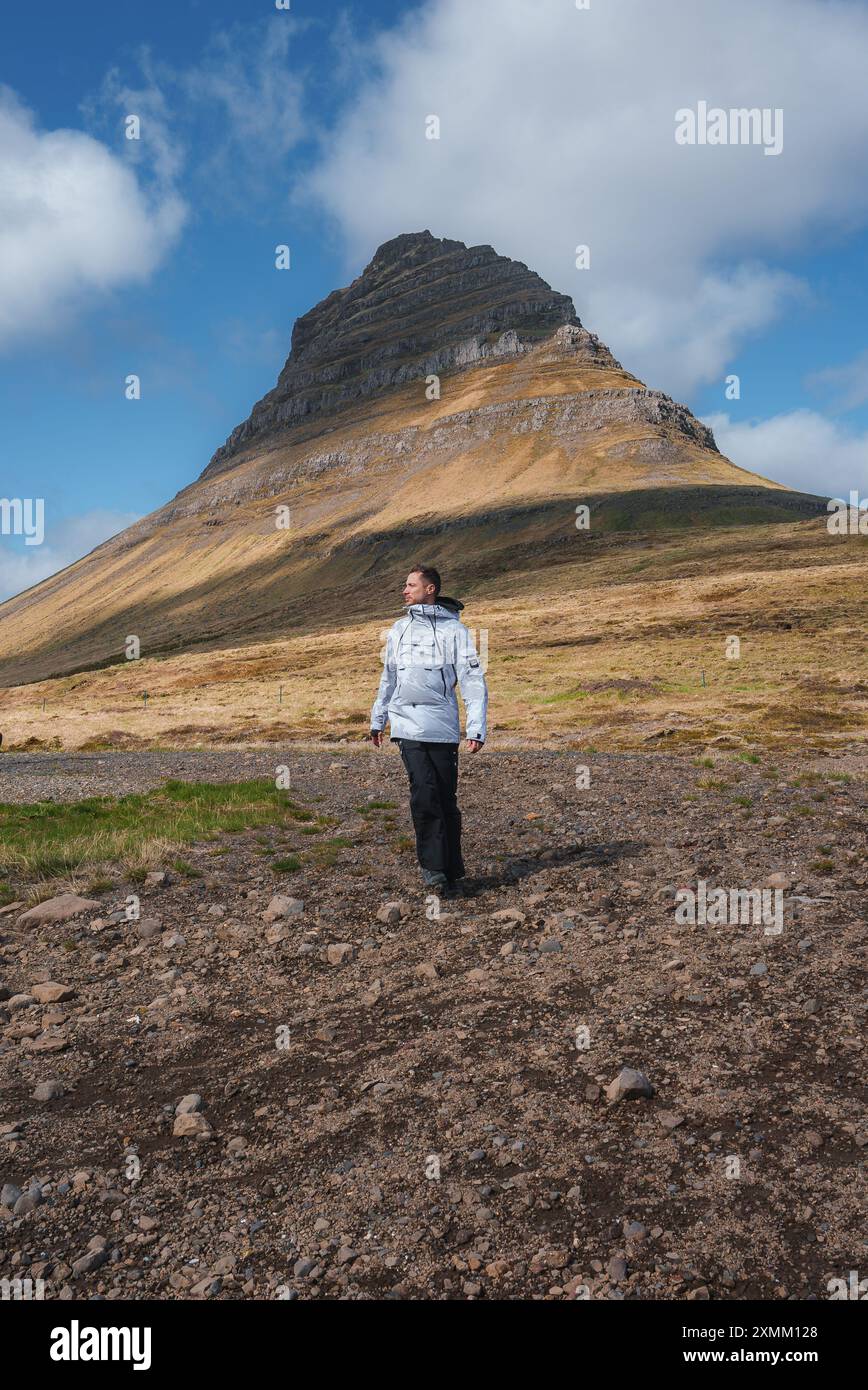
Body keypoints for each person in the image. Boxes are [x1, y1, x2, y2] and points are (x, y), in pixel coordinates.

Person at [370, 565, 488, 894]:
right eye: (405, 585)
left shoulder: (456, 632)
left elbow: (472, 681)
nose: (404, 591)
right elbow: (389, 677)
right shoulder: (398, 629)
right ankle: (433, 868)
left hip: (443, 726)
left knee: (445, 798)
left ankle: (452, 867)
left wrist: (476, 728)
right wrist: (378, 718)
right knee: (424, 793)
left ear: (431, 588)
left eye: (411, 585)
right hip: (406, 723)